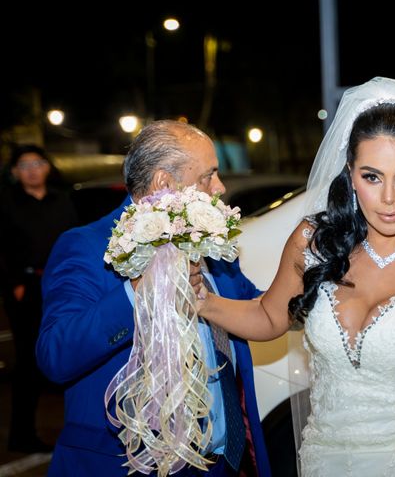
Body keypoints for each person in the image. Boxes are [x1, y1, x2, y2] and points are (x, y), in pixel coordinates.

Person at [191, 77, 395, 476]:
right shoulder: (312, 242)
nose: (389, 198)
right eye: (372, 177)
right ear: (350, 175)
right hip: (328, 460)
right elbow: (269, 318)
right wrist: (204, 302)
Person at [36, 121, 271, 476]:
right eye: (209, 175)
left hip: (224, 462)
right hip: (129, 463)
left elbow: (258, 307)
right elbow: (55, 354)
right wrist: (135, 293)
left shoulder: (212, 242)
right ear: (164, 182)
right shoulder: (86, 246)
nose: (220, 188)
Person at [0, 144, 77, 453]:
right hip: (28, 289)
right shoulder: (6, 204)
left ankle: (75, 431)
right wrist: (16, 284)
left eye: (37, 162)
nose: (31, 169)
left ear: (47, 166)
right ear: (15, 172)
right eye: (24, 165)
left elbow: (75, 242)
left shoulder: (63, 200)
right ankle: (21, 435)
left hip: (62, 286)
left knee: (69, 354)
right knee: (29, 362)